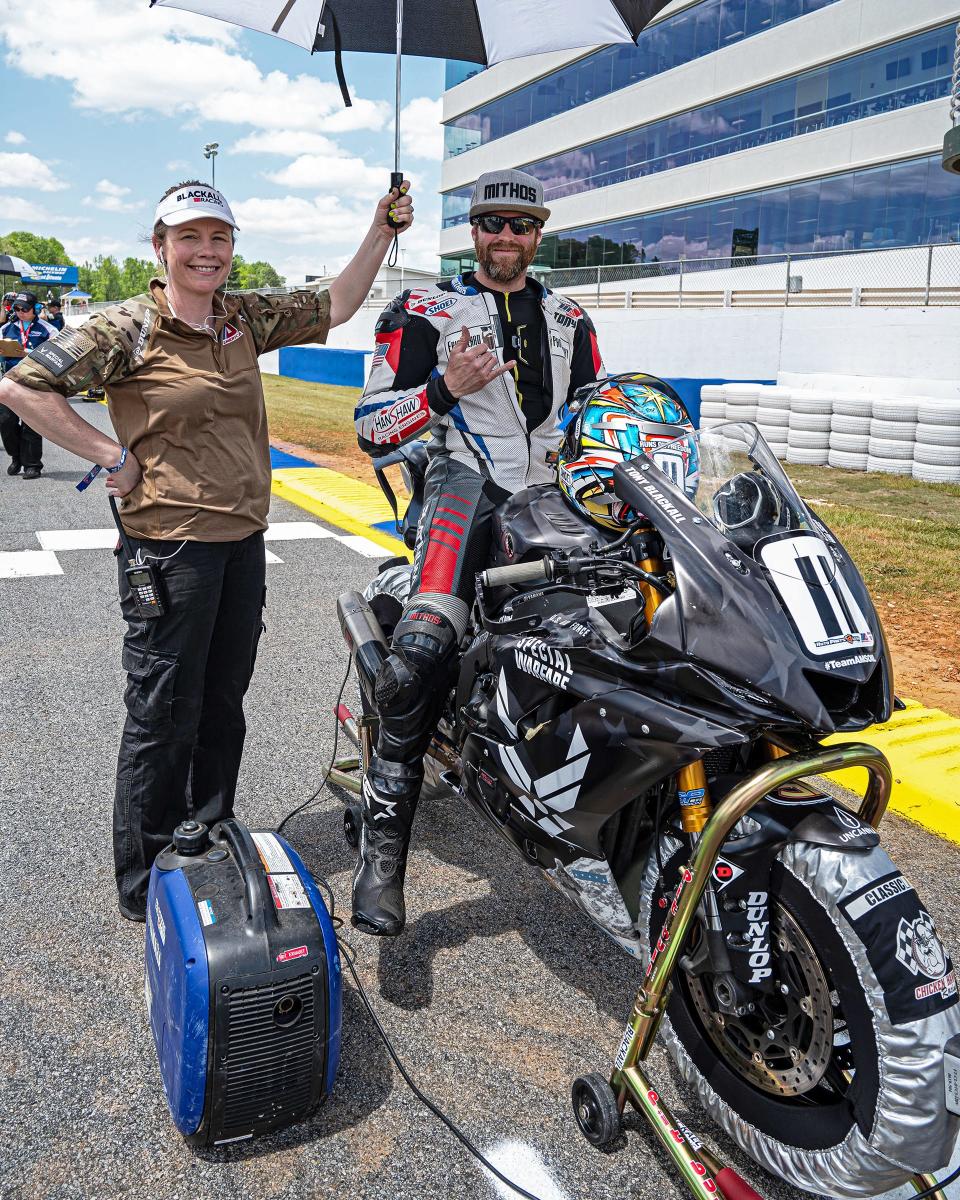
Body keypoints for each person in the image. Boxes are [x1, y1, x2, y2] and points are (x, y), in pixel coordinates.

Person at [0, 177, 414, 921]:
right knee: (164, 710)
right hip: (167, 551)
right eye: (188, 237)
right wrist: (108, 454)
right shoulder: (126, 327)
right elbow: (24, 389)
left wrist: (380, 230)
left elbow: (339, 302)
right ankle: (147, 878)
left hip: (242, 543)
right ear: (160, 248)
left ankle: (210, 830)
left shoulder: (241, 316)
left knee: (224, 703)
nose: (206, 251)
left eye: (218, 238)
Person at [352, 167, 604, 936]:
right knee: (419, 655)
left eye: (521, 226)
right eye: (492, 223)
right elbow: (369, 427)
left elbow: (596, 413)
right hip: (462, 491)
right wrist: (441, 391)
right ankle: (383, 849)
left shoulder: (571, 316)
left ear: (539, 233)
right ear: (474, 230)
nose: (506, 237)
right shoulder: (424, 306)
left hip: (551, 503)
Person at [0, 291, 58, 478]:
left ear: (35, 309)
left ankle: (32, 465)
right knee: (6, 421)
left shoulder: (48, 329)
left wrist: (29, 353)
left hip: (35, 382)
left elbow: (56, 355)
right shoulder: (5, 328)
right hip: (10, 380)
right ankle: (16, 457)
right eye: (16, 308)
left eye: (24, 309)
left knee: (31, 423)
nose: (20, 312)